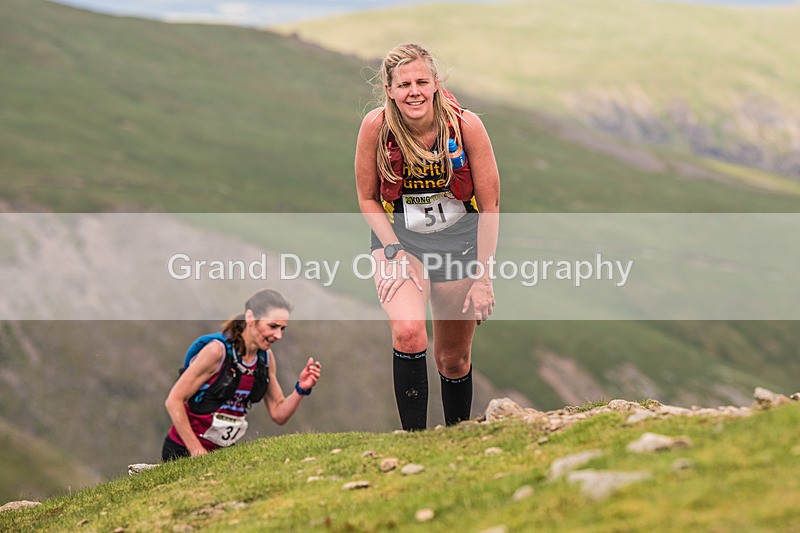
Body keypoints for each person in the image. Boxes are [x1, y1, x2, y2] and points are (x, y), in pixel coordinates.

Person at [355, 43, 500, 430]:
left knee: (452, 359)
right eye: (404, 84)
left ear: (436, 83)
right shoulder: (375, 126)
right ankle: (413, 442)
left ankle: (456, 438)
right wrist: (392, 249)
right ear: (389, 89)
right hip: (403, 242)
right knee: (407, 332)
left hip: (460, 244)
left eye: (422, 81)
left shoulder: (466, 126)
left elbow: (491, 206)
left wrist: (484, 278)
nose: (414, 91)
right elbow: (367, 199)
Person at [162, 288, 321, 460]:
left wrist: (301, 389)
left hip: (222, 454)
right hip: (183, 451)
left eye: (283, 329)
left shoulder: (265, 359)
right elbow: (174, 400)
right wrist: (197, 451)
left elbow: (278, 413)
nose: (278, 335)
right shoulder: (217, 352)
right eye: (273, 326)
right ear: (251, 318)